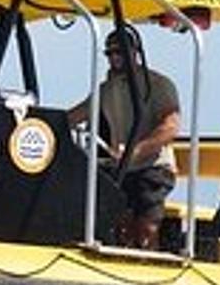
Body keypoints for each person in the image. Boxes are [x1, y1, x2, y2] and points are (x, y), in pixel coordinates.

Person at [62, 27, 181, 249]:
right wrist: (44, 124)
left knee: (146, 225)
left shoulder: (158, 84)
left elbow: (171, 127)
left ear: (135, 52)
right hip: (121, 167)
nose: (115, 58)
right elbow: (76, 115)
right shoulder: (106, 89)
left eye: (120, 52)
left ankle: (149, 264)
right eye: (110, 53)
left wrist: (137, 150)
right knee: (117, 220)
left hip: (153, 167)